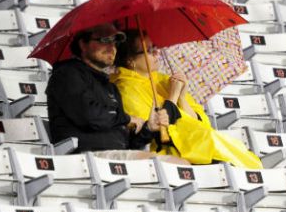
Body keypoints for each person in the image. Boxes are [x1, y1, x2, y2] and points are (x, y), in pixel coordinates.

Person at [109, 29, 263, 169]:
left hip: (198, 141)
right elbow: (156, 129)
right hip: (170, 150)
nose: (157, 54)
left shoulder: (163, 79)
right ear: (130, 60)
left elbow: (200, 122)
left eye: (155, 48)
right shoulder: (126, 88)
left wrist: (181, 97)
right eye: (149, 51)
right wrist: (173, 96)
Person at [45, 22, 188, 164]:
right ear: (83, 44)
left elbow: (128, 143)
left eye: (116, 41)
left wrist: (148, 129)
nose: (112, 47)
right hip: (85, 156)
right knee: (174, 166)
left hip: (114, 158)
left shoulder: (110, 87)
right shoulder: (67, 74)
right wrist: (127, 119)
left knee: (182, 164)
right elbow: (89, 115)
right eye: (105, 40)